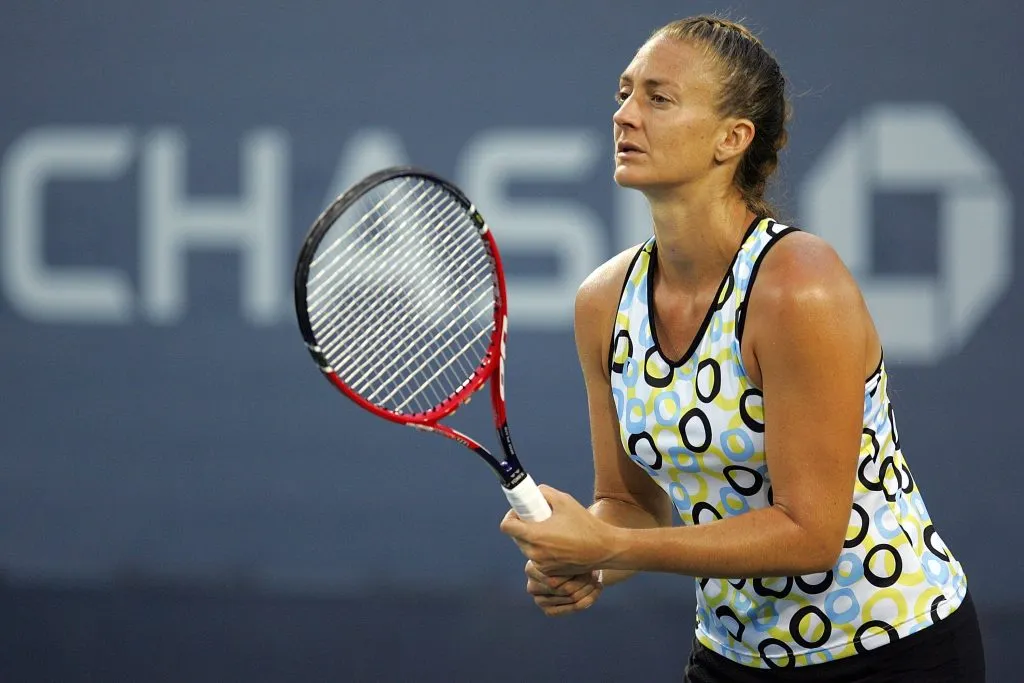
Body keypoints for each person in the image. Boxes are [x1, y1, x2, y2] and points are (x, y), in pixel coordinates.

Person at [499, 15, 986, 681]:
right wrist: (594, 559)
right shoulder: (602, 302)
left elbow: (810, 533)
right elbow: (632, 504)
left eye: (658, 98)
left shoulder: (798, 285)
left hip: (889, 651)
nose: (625, 115)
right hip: (733, 655)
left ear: (732, 138)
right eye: (624, 92)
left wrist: (606, 541)